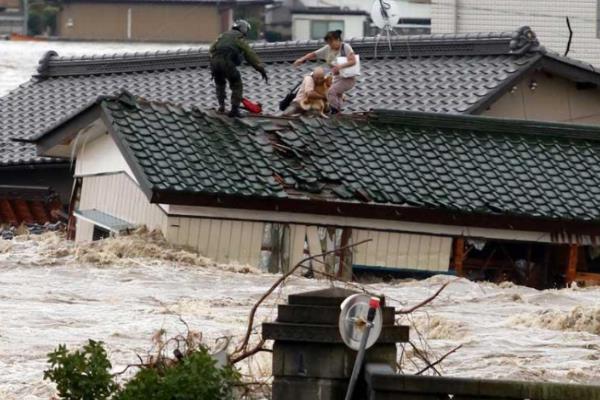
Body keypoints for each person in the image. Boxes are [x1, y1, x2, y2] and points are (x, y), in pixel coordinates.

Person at [209, 19, 268, 118]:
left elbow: (211, 49)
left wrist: (214, 64)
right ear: (243, 29)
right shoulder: (238, 38)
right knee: (236, 84)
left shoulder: (222, 36)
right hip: (226, 61)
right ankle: (234, 109)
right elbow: (250, 55)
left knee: (220, 83)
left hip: (214, 62)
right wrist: (261, 69)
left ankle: (221, 106)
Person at [293, 29, 357, 114]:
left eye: (331, 42)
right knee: (337, 94)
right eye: (328, 43)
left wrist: (340, 66)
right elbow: (314, 54)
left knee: (331, 91)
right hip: (337, 77)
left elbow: (353, 61)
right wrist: (302, 59)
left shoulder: (345, 47)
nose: (330, 45)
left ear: (338, 40)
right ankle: (338, 111)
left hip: (347, 78)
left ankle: (335, 111)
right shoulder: (328, 49)